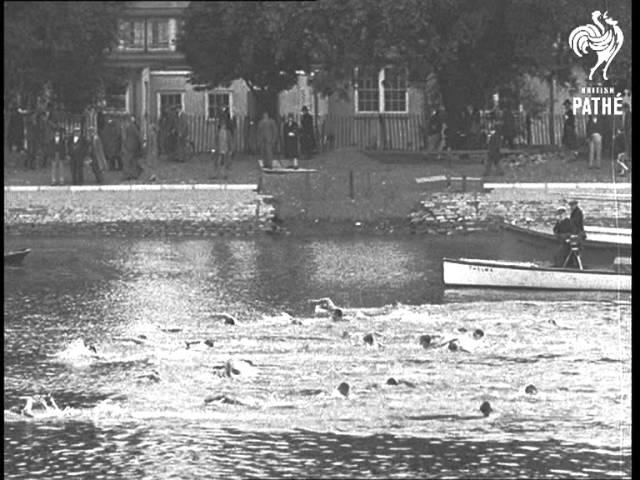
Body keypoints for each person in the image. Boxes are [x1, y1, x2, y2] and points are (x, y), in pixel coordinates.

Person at [122, 115, 143, 180]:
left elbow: (137, 136)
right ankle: (134, 174)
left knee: (128, 161)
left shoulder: (130, 127)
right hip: (133, 146)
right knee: (133, 161)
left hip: (130, 146)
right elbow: (138, 136)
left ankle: (128, 175)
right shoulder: (132, 127)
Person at [214, 109, 233, 179]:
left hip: (225, 149)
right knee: (218, 163)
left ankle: (225, 175)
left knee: (225, 163)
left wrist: (231, 149)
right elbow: (216, 141)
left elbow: (230, 141)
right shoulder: (218, 133)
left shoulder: (227, 133)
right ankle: (218, 174)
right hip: (220, 149)